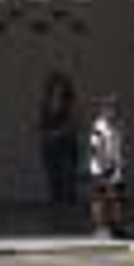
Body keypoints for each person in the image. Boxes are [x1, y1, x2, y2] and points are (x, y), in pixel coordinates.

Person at [37, 71, 80, 206]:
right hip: (49, 146)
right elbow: (42, 124)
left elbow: (74, 124)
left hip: (66, 145)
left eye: (60, 86)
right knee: (53, 178)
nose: (58, 89)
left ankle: (69, 206)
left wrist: (58, 132)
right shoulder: (45, 104)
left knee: (68, 178)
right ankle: (57, 207)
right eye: (55, 86)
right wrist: (43, 131)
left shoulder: (70, 104)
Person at [88, 96, 126, 239]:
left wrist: (118, 164)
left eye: (115, 109)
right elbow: (96, 148)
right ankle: (100, 227)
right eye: (110, 109)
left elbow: (117, 146)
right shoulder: (99, 126)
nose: (113, 112)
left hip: (115, 168)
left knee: (117, 199)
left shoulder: (117, 126)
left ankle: (116, 226)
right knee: (100, 198)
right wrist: (104, 165)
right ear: (104, 110)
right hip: (101, 168)